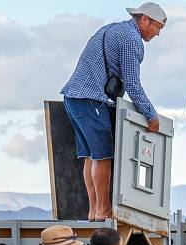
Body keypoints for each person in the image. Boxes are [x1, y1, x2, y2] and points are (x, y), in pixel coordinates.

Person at [61, 3, 167, 221]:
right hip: (90, 98)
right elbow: (132, 84)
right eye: (157, 27)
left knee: (91, 157)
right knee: (103, 155)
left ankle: (94, 211)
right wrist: (150, 115)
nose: (157, 33)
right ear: (144, 19)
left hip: (73, 97)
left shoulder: (111, 28)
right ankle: (104, 210)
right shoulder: (131, 39)